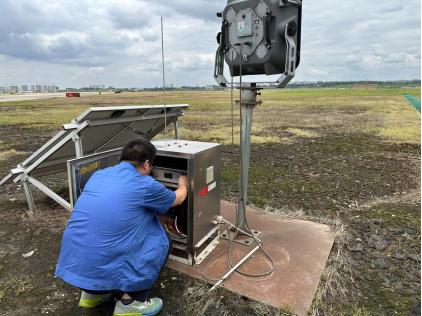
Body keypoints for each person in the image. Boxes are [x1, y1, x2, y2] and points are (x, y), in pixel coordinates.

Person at [55, 138, 188, 316]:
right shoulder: (145, 184)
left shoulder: (99, 175)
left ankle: (92, 295)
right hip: (98, 265)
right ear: (147, 163)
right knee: (162, 241)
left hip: (73, 265)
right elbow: (178, 198)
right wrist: (184, 182)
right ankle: (130, 302)